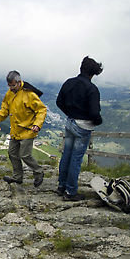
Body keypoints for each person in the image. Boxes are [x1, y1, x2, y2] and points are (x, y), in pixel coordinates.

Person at [0, 70, 47, 187]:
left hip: (28, 130)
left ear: (19, 82)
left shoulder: (29, 94)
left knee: (25, 155)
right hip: (15, 131)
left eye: (13, 85)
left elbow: (42, 110)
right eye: (9, 85)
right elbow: (4, 109)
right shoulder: (9, 94)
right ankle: (17, 177)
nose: (11, 88)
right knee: (12, 153)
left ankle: (39, 172)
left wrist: (37, 124)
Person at [56, 56, 103, 201]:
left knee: (66, 155)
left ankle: (61, 186)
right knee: (76, 159)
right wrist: (98, 121)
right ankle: (70, 192)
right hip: (83, 127)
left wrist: (70, 114)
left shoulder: (69, 83)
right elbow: (95, 113)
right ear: (93, 73)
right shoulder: (92, 89)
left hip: (70, 123)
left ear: (81, 68)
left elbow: (59, 102)